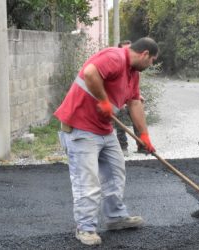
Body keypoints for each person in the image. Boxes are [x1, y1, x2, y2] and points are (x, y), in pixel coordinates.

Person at [54, 37, 158, 245]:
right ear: (145, 54)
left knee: (115, 172)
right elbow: (91, 73)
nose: (151, 65)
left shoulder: (133, 73)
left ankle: (116, 217)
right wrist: (103, 100)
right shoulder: (115, 57)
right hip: (81, 127)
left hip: (104, 129)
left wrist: (144, 135)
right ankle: (85, 228)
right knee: (88, 182)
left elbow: (135, 103)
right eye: (152, 61)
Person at [114, 40, 147, 156]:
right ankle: (123, 148)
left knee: (138, 116)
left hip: (128, 100)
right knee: (121, 117)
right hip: (118, 102)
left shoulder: (134, 68)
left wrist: (138, 96)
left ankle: (142, 145)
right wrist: (121, 102)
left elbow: (133, 87)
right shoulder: (116, 65)